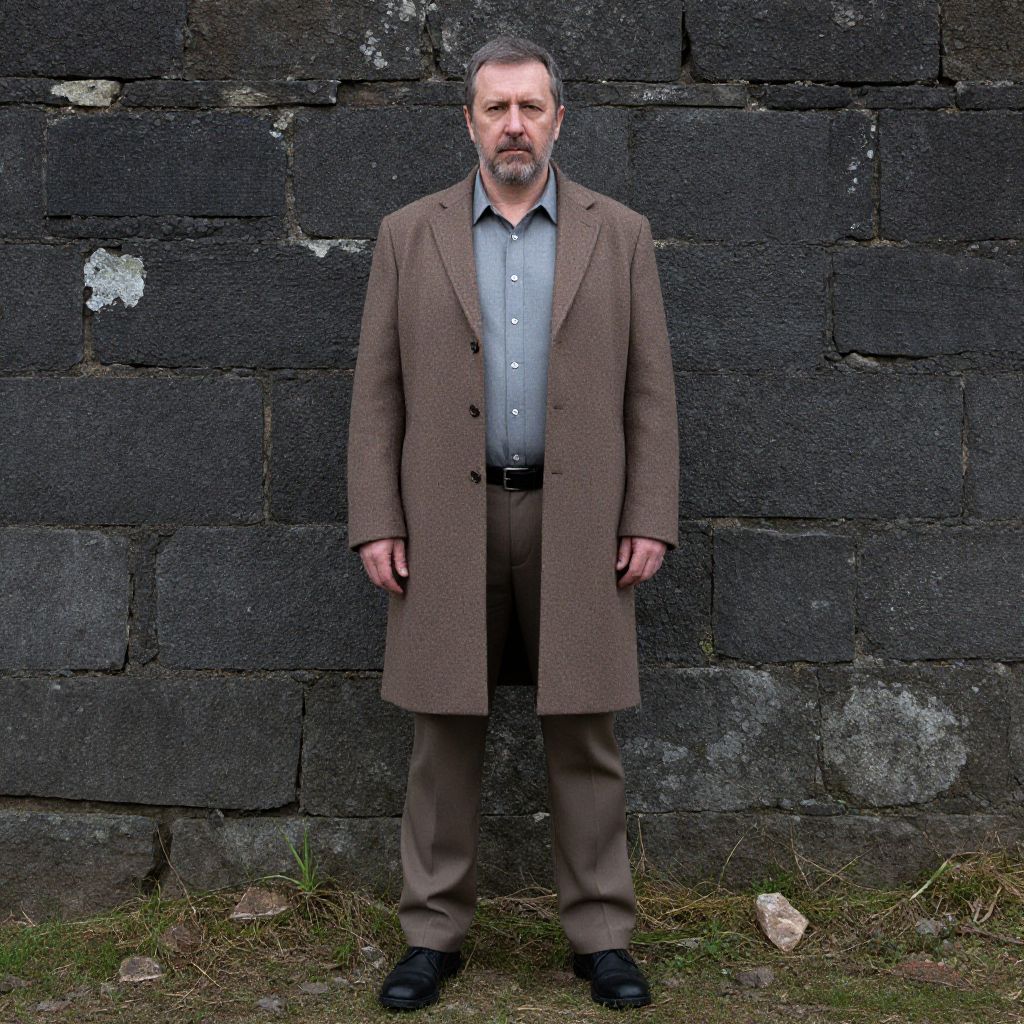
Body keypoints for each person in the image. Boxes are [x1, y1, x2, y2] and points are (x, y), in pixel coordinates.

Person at [347, 34, 679, 1013]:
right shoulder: (408, 235)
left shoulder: (620, 234)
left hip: (578, 519)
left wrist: (648, 513)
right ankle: (432, 935)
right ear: (468, 121)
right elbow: (377, 395)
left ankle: (602, 937)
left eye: (530, 107)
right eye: (495, 109)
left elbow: (650, 394)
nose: (514, 126)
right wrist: (376, 517)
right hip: (446, 518)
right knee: (442, 729)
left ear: (559, 118)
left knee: (583, 729)